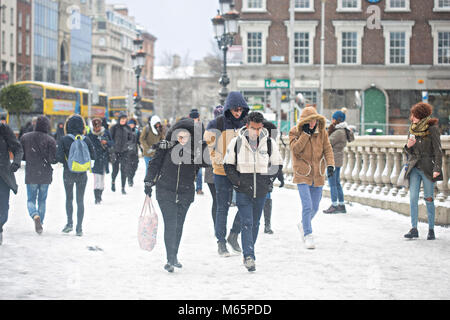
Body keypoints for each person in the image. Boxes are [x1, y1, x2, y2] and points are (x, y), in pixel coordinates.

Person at [144, 117, 207, 273]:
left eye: (186, 136)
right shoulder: (166, 146)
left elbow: (207, 162)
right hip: (165, 190)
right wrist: (148, 181)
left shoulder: (195, 151)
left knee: (179, 225)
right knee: (171, 224)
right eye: (179, 135)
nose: (182, 138)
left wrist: (201, 143)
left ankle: (174, 255)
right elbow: (154, 163)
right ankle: (170, 258)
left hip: (185, 192)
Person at [224, 112, 283, 272]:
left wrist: (269, 181)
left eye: (258, 128)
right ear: (247, 125)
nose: (255, 132)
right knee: (247, 223)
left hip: (261, 190)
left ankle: (248, 253)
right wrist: (237, 182)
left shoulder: (269, 143)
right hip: (244, 189)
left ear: (261, 127)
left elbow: (276, 164)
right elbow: (228, 165)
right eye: (252, 128)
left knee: (255, 223)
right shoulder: (236, 142)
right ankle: (249, 256)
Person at [204, 93, 250, 257]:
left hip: (241, 172)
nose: (238, 112)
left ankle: (234, 235)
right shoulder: (217, 123)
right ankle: (221, 242)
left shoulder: (246, 123)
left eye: (241, 109)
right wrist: (219, 160)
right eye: (235, 109)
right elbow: (210, 146)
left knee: (246, 204)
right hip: (222, 172)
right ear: (229, 108)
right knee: (222, 207)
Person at [289, 107, 335, 250]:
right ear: (304, 121)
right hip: (302, 173)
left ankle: (303, 224)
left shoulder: (322, 133)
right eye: (309, 121)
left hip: (318, 174)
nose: (313, 123)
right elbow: (295, 149)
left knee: (315, 207)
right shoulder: (294, 132)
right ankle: (308, 234)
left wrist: (330, 165)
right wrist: (305, 134)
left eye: (315, 120)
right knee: (307, 205)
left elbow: (327, 149)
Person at [403, 102, 443, 240]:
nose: (411, 118)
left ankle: (431, 229)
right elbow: (407, 151)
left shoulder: (432, 129)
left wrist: (437, 168)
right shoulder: (412, 129)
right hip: (414, 168)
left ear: (420, 115)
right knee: (413, 198)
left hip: (428, 168)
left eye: (414, 116)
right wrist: (408, 146)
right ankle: (414, 228)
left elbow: (438, 150)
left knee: (429, 198)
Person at [56, 114, 96, 237]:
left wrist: (68, 163)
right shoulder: (86, 139)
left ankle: (69, 224)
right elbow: (93, 157)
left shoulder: (64, 139)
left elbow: (59, 157)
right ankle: (79, 228)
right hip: (82, 174)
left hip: (68, 173)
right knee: (80, 200)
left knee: (69, 199)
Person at [20, 116, 57, 235]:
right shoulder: (50, 140)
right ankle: (41, 221)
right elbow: (53, 159)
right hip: (45, 174)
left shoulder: (26, 137)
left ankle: (35, 216)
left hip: (31, 173)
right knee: (42, 200)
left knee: (31, 199)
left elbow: (22, 155)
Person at [323, 110, 354, 214]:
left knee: (333, 183)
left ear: (338, 120)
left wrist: (327, 132)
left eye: (333, 119)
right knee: (337, 183)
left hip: (333, 160)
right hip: (337, 159)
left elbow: (327, 142)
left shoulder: (339, 132)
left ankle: (334, 205)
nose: (332, 121)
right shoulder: (342, 130)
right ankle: (341, 204)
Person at [0, 122, 23, 245]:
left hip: (3, 175)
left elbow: (17, 148)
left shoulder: (3, 129)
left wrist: (16, 162)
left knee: (3, 207)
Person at [261, 119, 285, 235]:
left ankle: (267, 224)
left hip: (268, 174)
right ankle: (265, 224)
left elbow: (277, 161)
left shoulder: (271, 143)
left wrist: (279, 175)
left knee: (266, 197)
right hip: (258, 173)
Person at [205, 105, 224, 229]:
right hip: (213, 170)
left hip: (216, 171)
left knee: (218, 201)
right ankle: (218, 227)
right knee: (218, 201)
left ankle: (218, 226)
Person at [88, 118, 113, 204]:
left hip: (104, 158)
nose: (97, 128)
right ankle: (97, 198)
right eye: (95, 126)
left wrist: (106, 143)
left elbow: (112, 143)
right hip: (95, 159)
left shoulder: (105, 132)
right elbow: (87, 145)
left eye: (98, 126)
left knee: (102, 179)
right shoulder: (90, 134)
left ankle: (100, 194)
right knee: (97, 179)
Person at [110, 112, 132, 194]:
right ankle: (113, 182)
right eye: (121, 119)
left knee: (124, 170)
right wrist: (112, 149)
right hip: (116, 152)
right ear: (119, 119)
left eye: (124, 119)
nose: (123, 120)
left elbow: (131, 139)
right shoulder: (114, 128)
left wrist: (128, 145)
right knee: (115, 170)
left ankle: (123, 188)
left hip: (125, 152)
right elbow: (110, 139)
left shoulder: (128, 128)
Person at [189, 109, 204, 195]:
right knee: (189, 171)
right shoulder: (188, 125)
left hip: (198, 150)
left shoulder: (200, 125)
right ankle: (189, 188)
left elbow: (203, 136)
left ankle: (199, 188)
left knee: (199, 171)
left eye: (196, 118)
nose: (195, 119)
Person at [127, 118, 140, 187]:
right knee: (129, 166)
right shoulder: (125, 131)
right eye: (130, 124)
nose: (131, 126)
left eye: (132, 124)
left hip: (135, 151)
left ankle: (131, 176)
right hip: (127, 151)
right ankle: (130, 179)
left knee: (135, 166)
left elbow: (139, 140)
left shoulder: (137, 131)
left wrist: (141, 148)